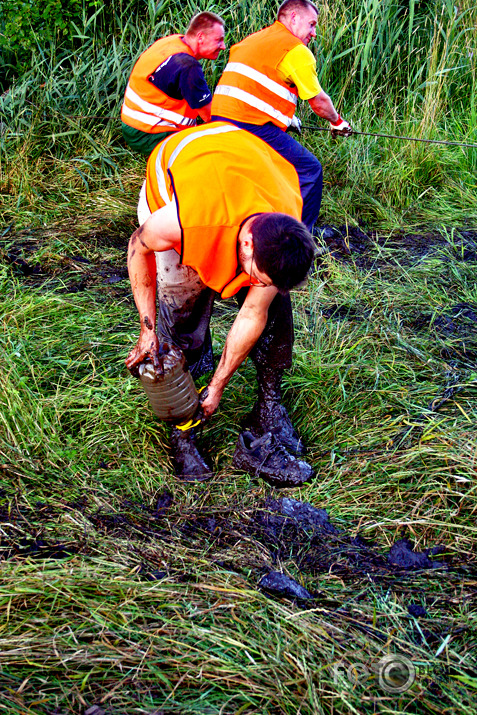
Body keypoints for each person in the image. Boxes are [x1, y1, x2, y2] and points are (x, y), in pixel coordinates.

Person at [125, 121, 319, 486]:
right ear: (247, 244)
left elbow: (252, 312)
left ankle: (268, 407)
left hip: (246, 165)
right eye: (259, 277)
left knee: (276, 312)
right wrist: (147, 330)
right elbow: (139, 247)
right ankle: (182, 432)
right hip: (178, 187)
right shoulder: (184, 224)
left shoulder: (285, 220)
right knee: (182, 319)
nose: (258, 285)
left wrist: (218, 386)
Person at [211, 0, 351, 232]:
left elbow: (253, 88)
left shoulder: (254, 39)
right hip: (248, 124)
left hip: (218, 120)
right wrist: (337, 122)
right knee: (309, 170)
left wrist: (288, 120)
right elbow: (318, 102)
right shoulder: (295, 50)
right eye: (312, 24)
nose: (314, 33)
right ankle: (301, 237)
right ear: (294, 18)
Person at [121, 12, 226, 155]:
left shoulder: (172, 41)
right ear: (200, 37)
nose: (223, 46)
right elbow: (211, 117)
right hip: (148, 133)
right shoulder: (187, 66)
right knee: (211, 151)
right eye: (218, 40)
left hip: (131, 125)